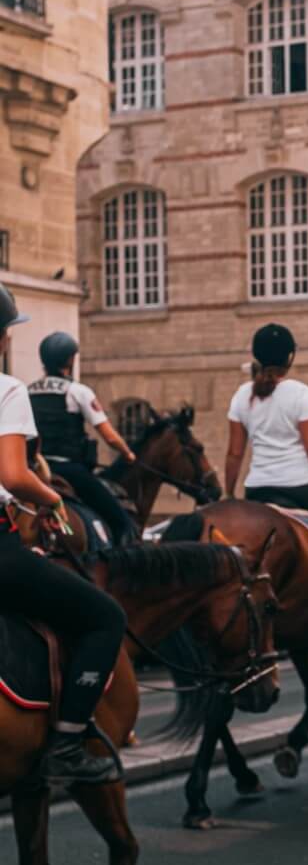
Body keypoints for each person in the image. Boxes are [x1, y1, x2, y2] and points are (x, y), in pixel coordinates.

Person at [0, 288, 125, 782]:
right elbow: (13, 474)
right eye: (7, 330)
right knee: (104, 617)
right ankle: (70, 739)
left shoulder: (28, 390)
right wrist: (52, 501)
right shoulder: (7, 389)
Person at [226, 324, 308, 532]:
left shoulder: (241, 395)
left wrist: (229, 494)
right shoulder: (300, 393)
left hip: (257, 489)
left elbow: (234, 453)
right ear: (289, 358)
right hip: (301, 486)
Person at [27, 331, 139, 545]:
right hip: (69, 469)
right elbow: (110, 436)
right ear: (70, 359)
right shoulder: (78, 391)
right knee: (120, 519)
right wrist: (128, 453)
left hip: (35, 470)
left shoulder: (28, 390)